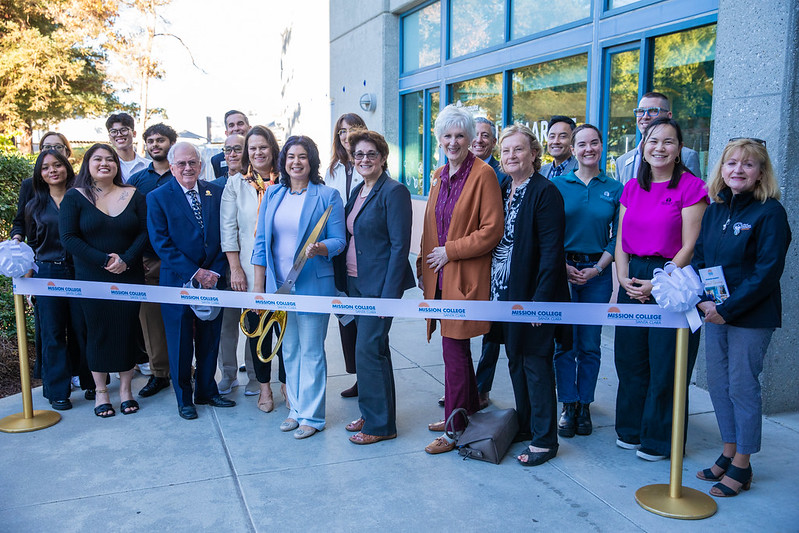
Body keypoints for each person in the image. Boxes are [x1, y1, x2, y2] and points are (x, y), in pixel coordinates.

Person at [692, 138, 791, 497]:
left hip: (749, 317)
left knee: (742, 387)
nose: (738, 170)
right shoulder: (716, 210)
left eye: (747, 165)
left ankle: (743, 465)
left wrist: (726, 310)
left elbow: (766, 272)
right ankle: (728, 450)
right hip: (714, 312)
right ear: (721, 169)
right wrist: (705, 302)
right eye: (731, 163)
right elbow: (701, 258)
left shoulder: (770, 213)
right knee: (719, 385)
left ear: (760, 173)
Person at [614, 117, 708, 461]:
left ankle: (659, 439)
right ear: (643, 146)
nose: (660, 148)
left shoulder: (691, 187)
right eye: (653, 141)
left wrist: (659, 283)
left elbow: (690, 246)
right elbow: (621, 239)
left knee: (666, 362)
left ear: (679, 149)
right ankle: (631, 429)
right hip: (633, 276)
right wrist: (624, 277)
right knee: (630, 358)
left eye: (668, 142)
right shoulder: (632, 188)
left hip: (672, 278)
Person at [416, 104, 503, 455]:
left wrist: (451, 251)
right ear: (439, 140)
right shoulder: (439, 175)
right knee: (457, 349)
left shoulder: (483, 174)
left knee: (453, 349)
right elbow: (429, 227)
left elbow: (492, 229)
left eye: (460, 136)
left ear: (471, 139)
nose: (454, 142)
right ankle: (464, 413)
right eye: (447, 136)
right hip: (438, 278)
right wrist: (426, 265)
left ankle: (453, 429)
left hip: (463, 275)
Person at [251, 135, 345, 439]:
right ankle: (296, 410)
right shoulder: (273, 194)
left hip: (314, 286)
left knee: (312, 352)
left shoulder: (327, 195)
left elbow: (339, 241)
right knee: (289, 350)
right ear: (284, 161)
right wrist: (259, 289)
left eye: (302, 156)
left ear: (312, 160)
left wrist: (320, 248)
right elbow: (262, 243)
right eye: (291, 156)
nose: (296, 162)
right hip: (281, 288)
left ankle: (313, 417)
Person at [489, 124, 569, 467]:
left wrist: (540, 301)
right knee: (515, 361)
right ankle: (524, 424)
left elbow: (552, 252)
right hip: (503, 292)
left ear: (534, 153)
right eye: (506, 151)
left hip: (533, 295)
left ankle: (544, 439)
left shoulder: (544, 192)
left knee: (536, 365)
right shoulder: (505, 187)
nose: (511, 156)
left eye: (518, 150)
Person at [60, 144, 149, 417]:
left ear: (116, 166)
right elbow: (69, 238)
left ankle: (126, 390)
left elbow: (145, 233)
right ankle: (101, 391)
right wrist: (103, 260)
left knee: (126, 330)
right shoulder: (74, 197)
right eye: (97, 159)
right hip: (91, 277)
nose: (104, 163)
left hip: (129, 275)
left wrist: (126, 259)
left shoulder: (134, 194)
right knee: (97, 331)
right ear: (87, 164)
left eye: (110, 159)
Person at [147, 142, 234, 420]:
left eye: (192, 162)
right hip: (177, 282)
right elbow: (161, 243)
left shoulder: (216, 193)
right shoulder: (158, 197)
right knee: (180, 343)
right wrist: (195, 273)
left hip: (213, 280)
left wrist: (215, 273)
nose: (188, 168)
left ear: (200, 164)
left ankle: (207, 391)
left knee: (209, 339)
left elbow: (226, 236)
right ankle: (184, 398)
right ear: (172, 167)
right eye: (182, 164)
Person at [340, 130, 414, 445]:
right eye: (359, 155)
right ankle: (372, 413)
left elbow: (400, 246)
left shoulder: (394, 191)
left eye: (371, 154)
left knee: (368, 350)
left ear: (382, 157)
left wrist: (388, 297)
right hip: (354, 282)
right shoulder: (358, 190)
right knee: (373, 352)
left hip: (378, 288)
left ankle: (381, 425)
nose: (365, 160)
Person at [551, 124, 623, 438]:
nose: (588, 149)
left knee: (590, 345)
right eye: (582, 144)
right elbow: (549, 233)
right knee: (565, 343)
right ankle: (567, 402)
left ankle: (585, 404)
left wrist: (598, 268)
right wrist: (563, 265)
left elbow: (619, 237)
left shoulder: (616, 188)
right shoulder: (558, 184)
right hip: (563, 271)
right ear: (573, 148)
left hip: (598, 273)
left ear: (601, 146)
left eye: (594, 143)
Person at [220, 126, 286, 409]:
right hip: (248, 271)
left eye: (263, 147)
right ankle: (264, 389)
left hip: (284, 271)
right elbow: (228, 229)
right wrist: (235, 268)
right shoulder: (236, 183)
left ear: (273, 149)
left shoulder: (287, 180)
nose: (258, 153)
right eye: (252, 148)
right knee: (258, 331)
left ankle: (287, 388)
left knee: (285, 333)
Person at [24, 150, 86, 410]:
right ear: (40, 174)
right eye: (46, 167)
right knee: (52, 333)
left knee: (81, 329)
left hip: (79, 271)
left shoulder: (82, 198)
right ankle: (57, 390)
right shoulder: (34, 206)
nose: (53, 171)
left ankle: (91, 383)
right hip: (47, 273)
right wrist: (28, 284)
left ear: (67, 168)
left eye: (57, 165)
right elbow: (32, 244)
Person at [128, 123, 178, 398]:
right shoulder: (137, 181)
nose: (155, 144)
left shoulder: (182, 173)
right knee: (151, 322)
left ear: (172, 142)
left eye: (161, 140)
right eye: (151, 140)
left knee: (186, 319)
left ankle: (186, 368)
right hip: (148, 261)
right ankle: (159, 374)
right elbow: (132, 222)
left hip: (182, 261)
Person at [325, 112, 366, 398]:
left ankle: (369, 375)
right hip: (338, 247)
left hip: (362, 249)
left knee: (366, 317)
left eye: (352, 129)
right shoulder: (333, 169)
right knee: (345, 313)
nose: (346, 135)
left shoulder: (369, 160)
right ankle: (357, 375)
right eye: (341, 131)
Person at [470, 116, 506, 410]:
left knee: (489, 331)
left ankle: (481, 389)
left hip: (495, 262)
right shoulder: (456, 171)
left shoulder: (500, 174)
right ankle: (463, 386)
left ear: (493, 142)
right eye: (476, 134)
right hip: (465, 261)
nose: (479, 140)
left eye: (486, 136)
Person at [615, 92, 701, 184]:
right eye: (641, 111)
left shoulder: (688, 157)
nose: (645, 116)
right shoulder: (622, 162)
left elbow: (693, 194)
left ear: (669, 116)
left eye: (653, 111)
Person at [105, 113, 149, 182]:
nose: (119, 134)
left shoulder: (148, 166)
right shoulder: (106, 166)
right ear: (109, 136)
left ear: (134, 133)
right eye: (113, 131)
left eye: (124, 130)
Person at [211, 110, 251, 179]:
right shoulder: (217, 160)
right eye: (231, 125)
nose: (236, 128)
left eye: (240, 124)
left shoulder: (258, 155)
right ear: (226, 133)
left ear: (250, 129)